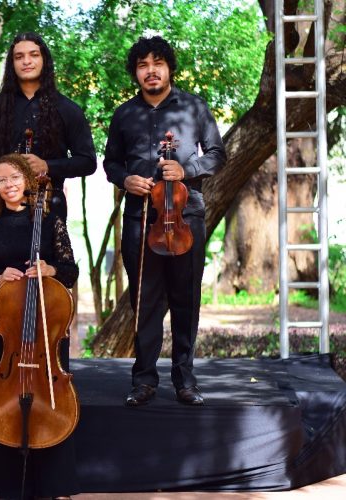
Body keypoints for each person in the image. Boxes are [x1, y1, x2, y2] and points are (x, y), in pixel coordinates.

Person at [103, 36, 226, 407]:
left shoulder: (194, 107)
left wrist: (186, 169)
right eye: (142, 65)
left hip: (186, 217)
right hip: (141, 217)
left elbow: (218, 155)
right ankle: (144, 380)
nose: (150, 70)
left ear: (169, 67)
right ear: (136, 73)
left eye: (157, 62)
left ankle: (185, 380)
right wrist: (125, 179)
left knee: (186, 300)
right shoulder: (124, 114)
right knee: (146, 301)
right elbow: (110, 163)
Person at [0, 153, 79, 500]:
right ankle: (8, 485)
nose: (8, 184)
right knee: (8, 398)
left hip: (47, 326)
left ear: (28, 181)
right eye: (0, 180)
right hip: (7, 326)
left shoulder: (49, 221)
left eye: (14, 177)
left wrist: (49, 270)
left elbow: (69, 270)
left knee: (49, 398)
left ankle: (49, 485)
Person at [0, 32, 96, 228]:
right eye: (19, 57)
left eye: (34, 55)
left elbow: (88, 162)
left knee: (46, 260)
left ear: (44, 59)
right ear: (12, 64)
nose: (26, 61)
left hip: (49, 207)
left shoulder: (67, 109)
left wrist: (47, 166)